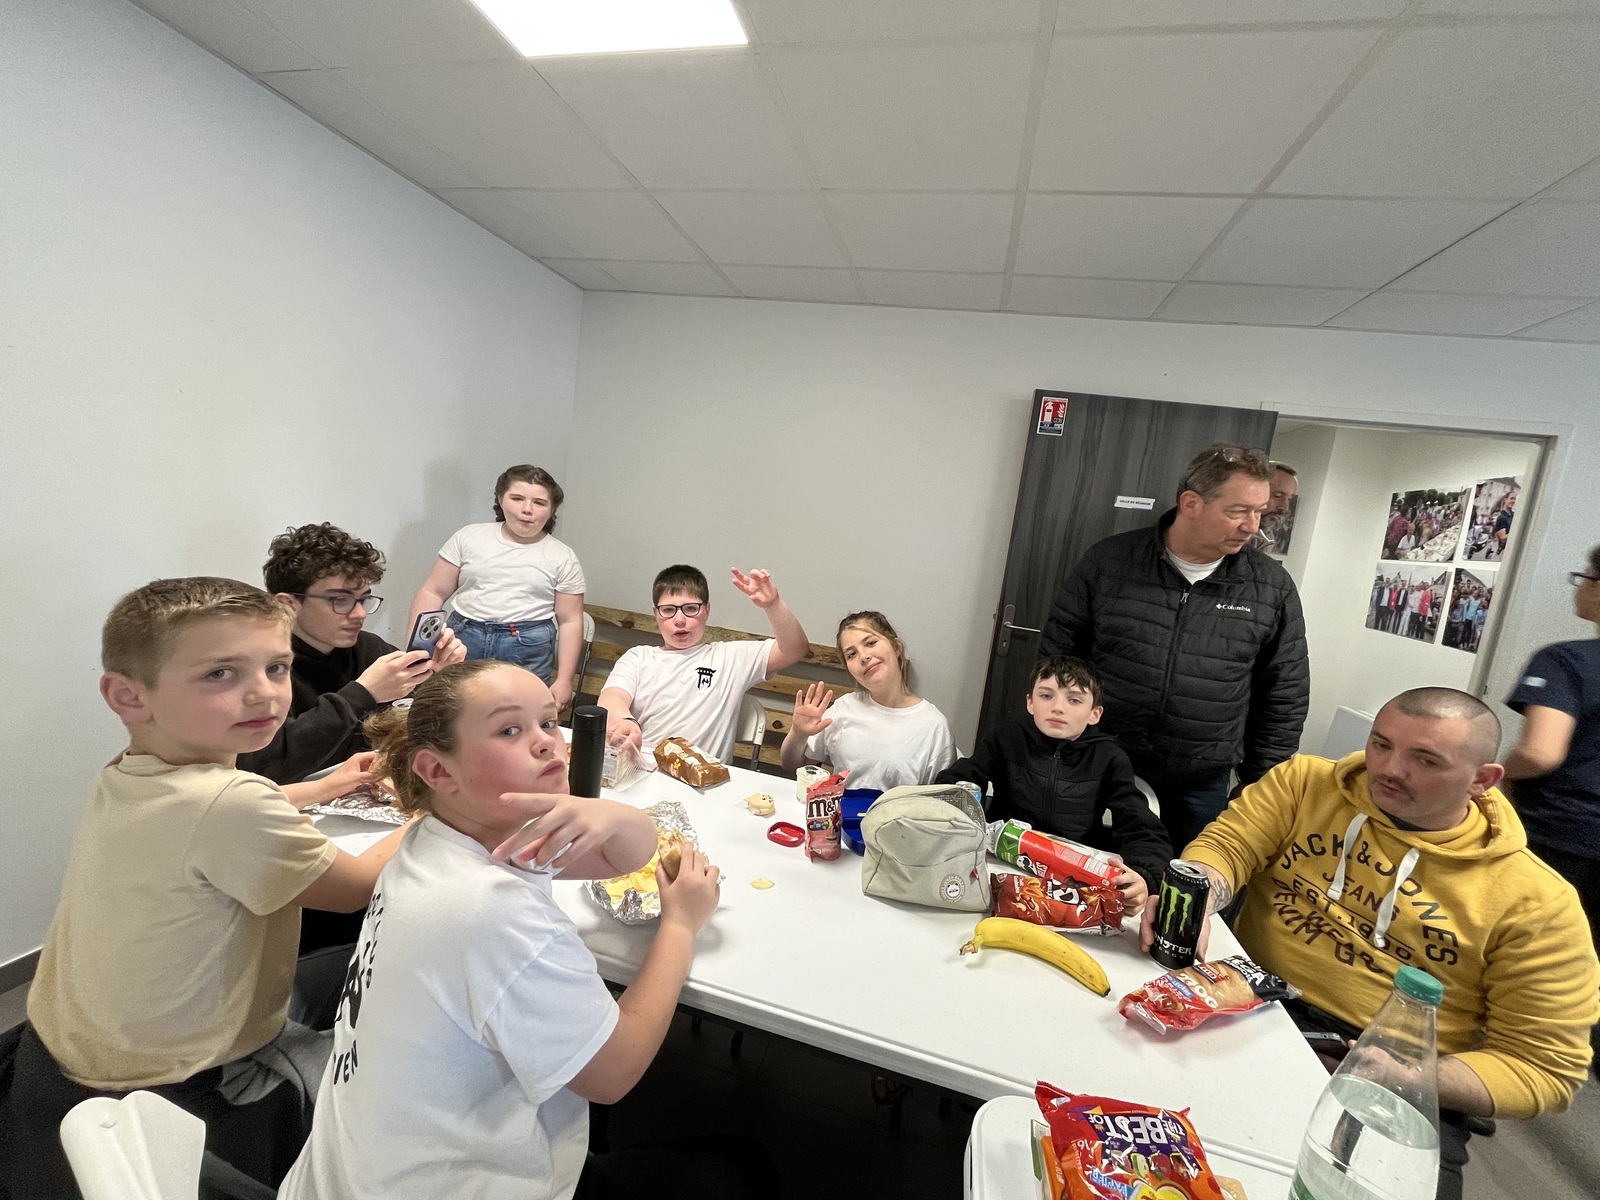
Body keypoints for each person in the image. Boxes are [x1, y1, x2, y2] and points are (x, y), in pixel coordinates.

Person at [277, 661, 773, 1200]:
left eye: (548, 722)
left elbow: (621, 855)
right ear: (437, 770)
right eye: (510, 729)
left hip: (354, 1171)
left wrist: (614, 816)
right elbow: (613, 1075)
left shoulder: (439, 834)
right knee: (741, 1167)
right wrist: (680, 925)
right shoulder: (491, 910)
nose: (547, 742)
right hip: (435, 1186)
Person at [0, 578, 411, 1197]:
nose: (264, 692)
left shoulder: (132, 772)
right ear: (128, 695)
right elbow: (357, 887)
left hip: (70, 1055)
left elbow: (207, 814)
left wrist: (322, 788)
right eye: (220, 674)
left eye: (277, 668)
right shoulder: (231, 803)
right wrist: (436, 808)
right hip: (179, 1083)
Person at [1141, 688, 1599, 1200]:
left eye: (1425, 760)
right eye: (1381, 744)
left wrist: (1412, 1076)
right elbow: (1227, 847)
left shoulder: (1538, 903)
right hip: (1250, 1001)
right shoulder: (1304, 783)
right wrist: (1199, 895)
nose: (1389, 769)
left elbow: (1543, 1068)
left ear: (1482, 780)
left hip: (1400, 1070)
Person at [1039, 443, 1309, 850]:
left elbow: (1285, 692)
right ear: (1191, 503)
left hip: (1200, 780)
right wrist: (1055, 739)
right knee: (1081, 867)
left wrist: (1260, 782)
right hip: (1099, 759)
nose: (1252, 526)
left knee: (1182, 879)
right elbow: (1059, 659)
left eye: (1259, 511)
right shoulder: (1110, 562)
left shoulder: (1271, 587)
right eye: (1238, 511)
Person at [238, 522, 465, 786]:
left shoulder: (367, 647)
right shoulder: (260, 668)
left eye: (363, 600)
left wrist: (437, 674)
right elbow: (264, 765)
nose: (359, 614)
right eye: (340, 600)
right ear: (288, 604)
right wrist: (363, 694)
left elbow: (422, 720)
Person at [936, 656, 1171, 904]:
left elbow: (1141, 827)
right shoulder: (1007, 738)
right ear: (1030, 702)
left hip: (1073, 875)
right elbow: (961, 781)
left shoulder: (1109, 758)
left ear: (1094, 714)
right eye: (1046, 696)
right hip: (1004, 859)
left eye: (1074, 700)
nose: (1058, 707)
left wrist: (1144, 876)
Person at [1504, 549, 1600, 1062]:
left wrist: (1497, 774)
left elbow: (1541, 753)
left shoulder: (1566, 661)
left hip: (1563, 836)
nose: (1578, 587)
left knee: (1535, 963)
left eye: (1584, 577)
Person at [408, 465, 585, 708]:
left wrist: (564, 680)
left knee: (520, 715)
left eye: (539, 502)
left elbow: (570, 620)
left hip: (527, 646)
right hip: (464, 638)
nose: (527, 509)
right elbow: (433, 592)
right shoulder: (469, 537)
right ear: (501, 500)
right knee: (454, 711)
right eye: (517, 498)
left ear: (552, 509)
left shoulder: (562, 557)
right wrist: (416, 650)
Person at [600, 565, 809, 765]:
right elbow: (612, 697)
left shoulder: (730, 657)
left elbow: (794, 649)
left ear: (707, 610)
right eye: (668, 610)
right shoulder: (638, 658)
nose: (679, 620)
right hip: (644, 770)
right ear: (656, 613)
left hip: (707, 779)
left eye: (691, 608)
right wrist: (624, 721)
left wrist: (773, 605)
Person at [779, 610, 956, 790]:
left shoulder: (933, 725)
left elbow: (940, 797)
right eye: (851, 654)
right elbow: (793, 765)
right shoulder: (844, 707)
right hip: (844, 807)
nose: (864, 657)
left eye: (871, 643)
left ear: (896, 648)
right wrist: (798, 733)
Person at [1251, 462, 1298, 555]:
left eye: (1289, 499)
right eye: (1277, 496)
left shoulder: (1267, 539)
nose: (1284, 507)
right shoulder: (1227, 535)